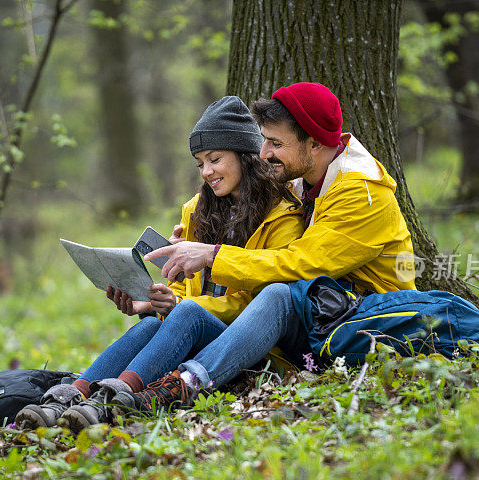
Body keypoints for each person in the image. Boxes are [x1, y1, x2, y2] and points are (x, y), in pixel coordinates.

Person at [109, 82, 416, 414]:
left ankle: (184, 385)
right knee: (168, 319)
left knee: (276, 295)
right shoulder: (304, 184)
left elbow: (301, 263)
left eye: (275, 142)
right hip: (320, 317)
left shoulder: (361, 194)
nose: (264, 152)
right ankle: (85, 391)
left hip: (364, 327)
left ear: (313, 143)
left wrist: (211, 256)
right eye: (264, 140)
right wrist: (172, 281)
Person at [15, 96, 303, 431]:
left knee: (189, 312)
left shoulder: (282, 215)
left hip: (248, 348)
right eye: (199, 163)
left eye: (215, 159)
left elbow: (264, 305)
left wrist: (181, 304)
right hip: (197, 331)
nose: (207, 171)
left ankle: (113, 399)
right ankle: (73, 396)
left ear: (245, 155)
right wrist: (153, 303)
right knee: (154, 323)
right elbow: (185, 291)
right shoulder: (198, 210)